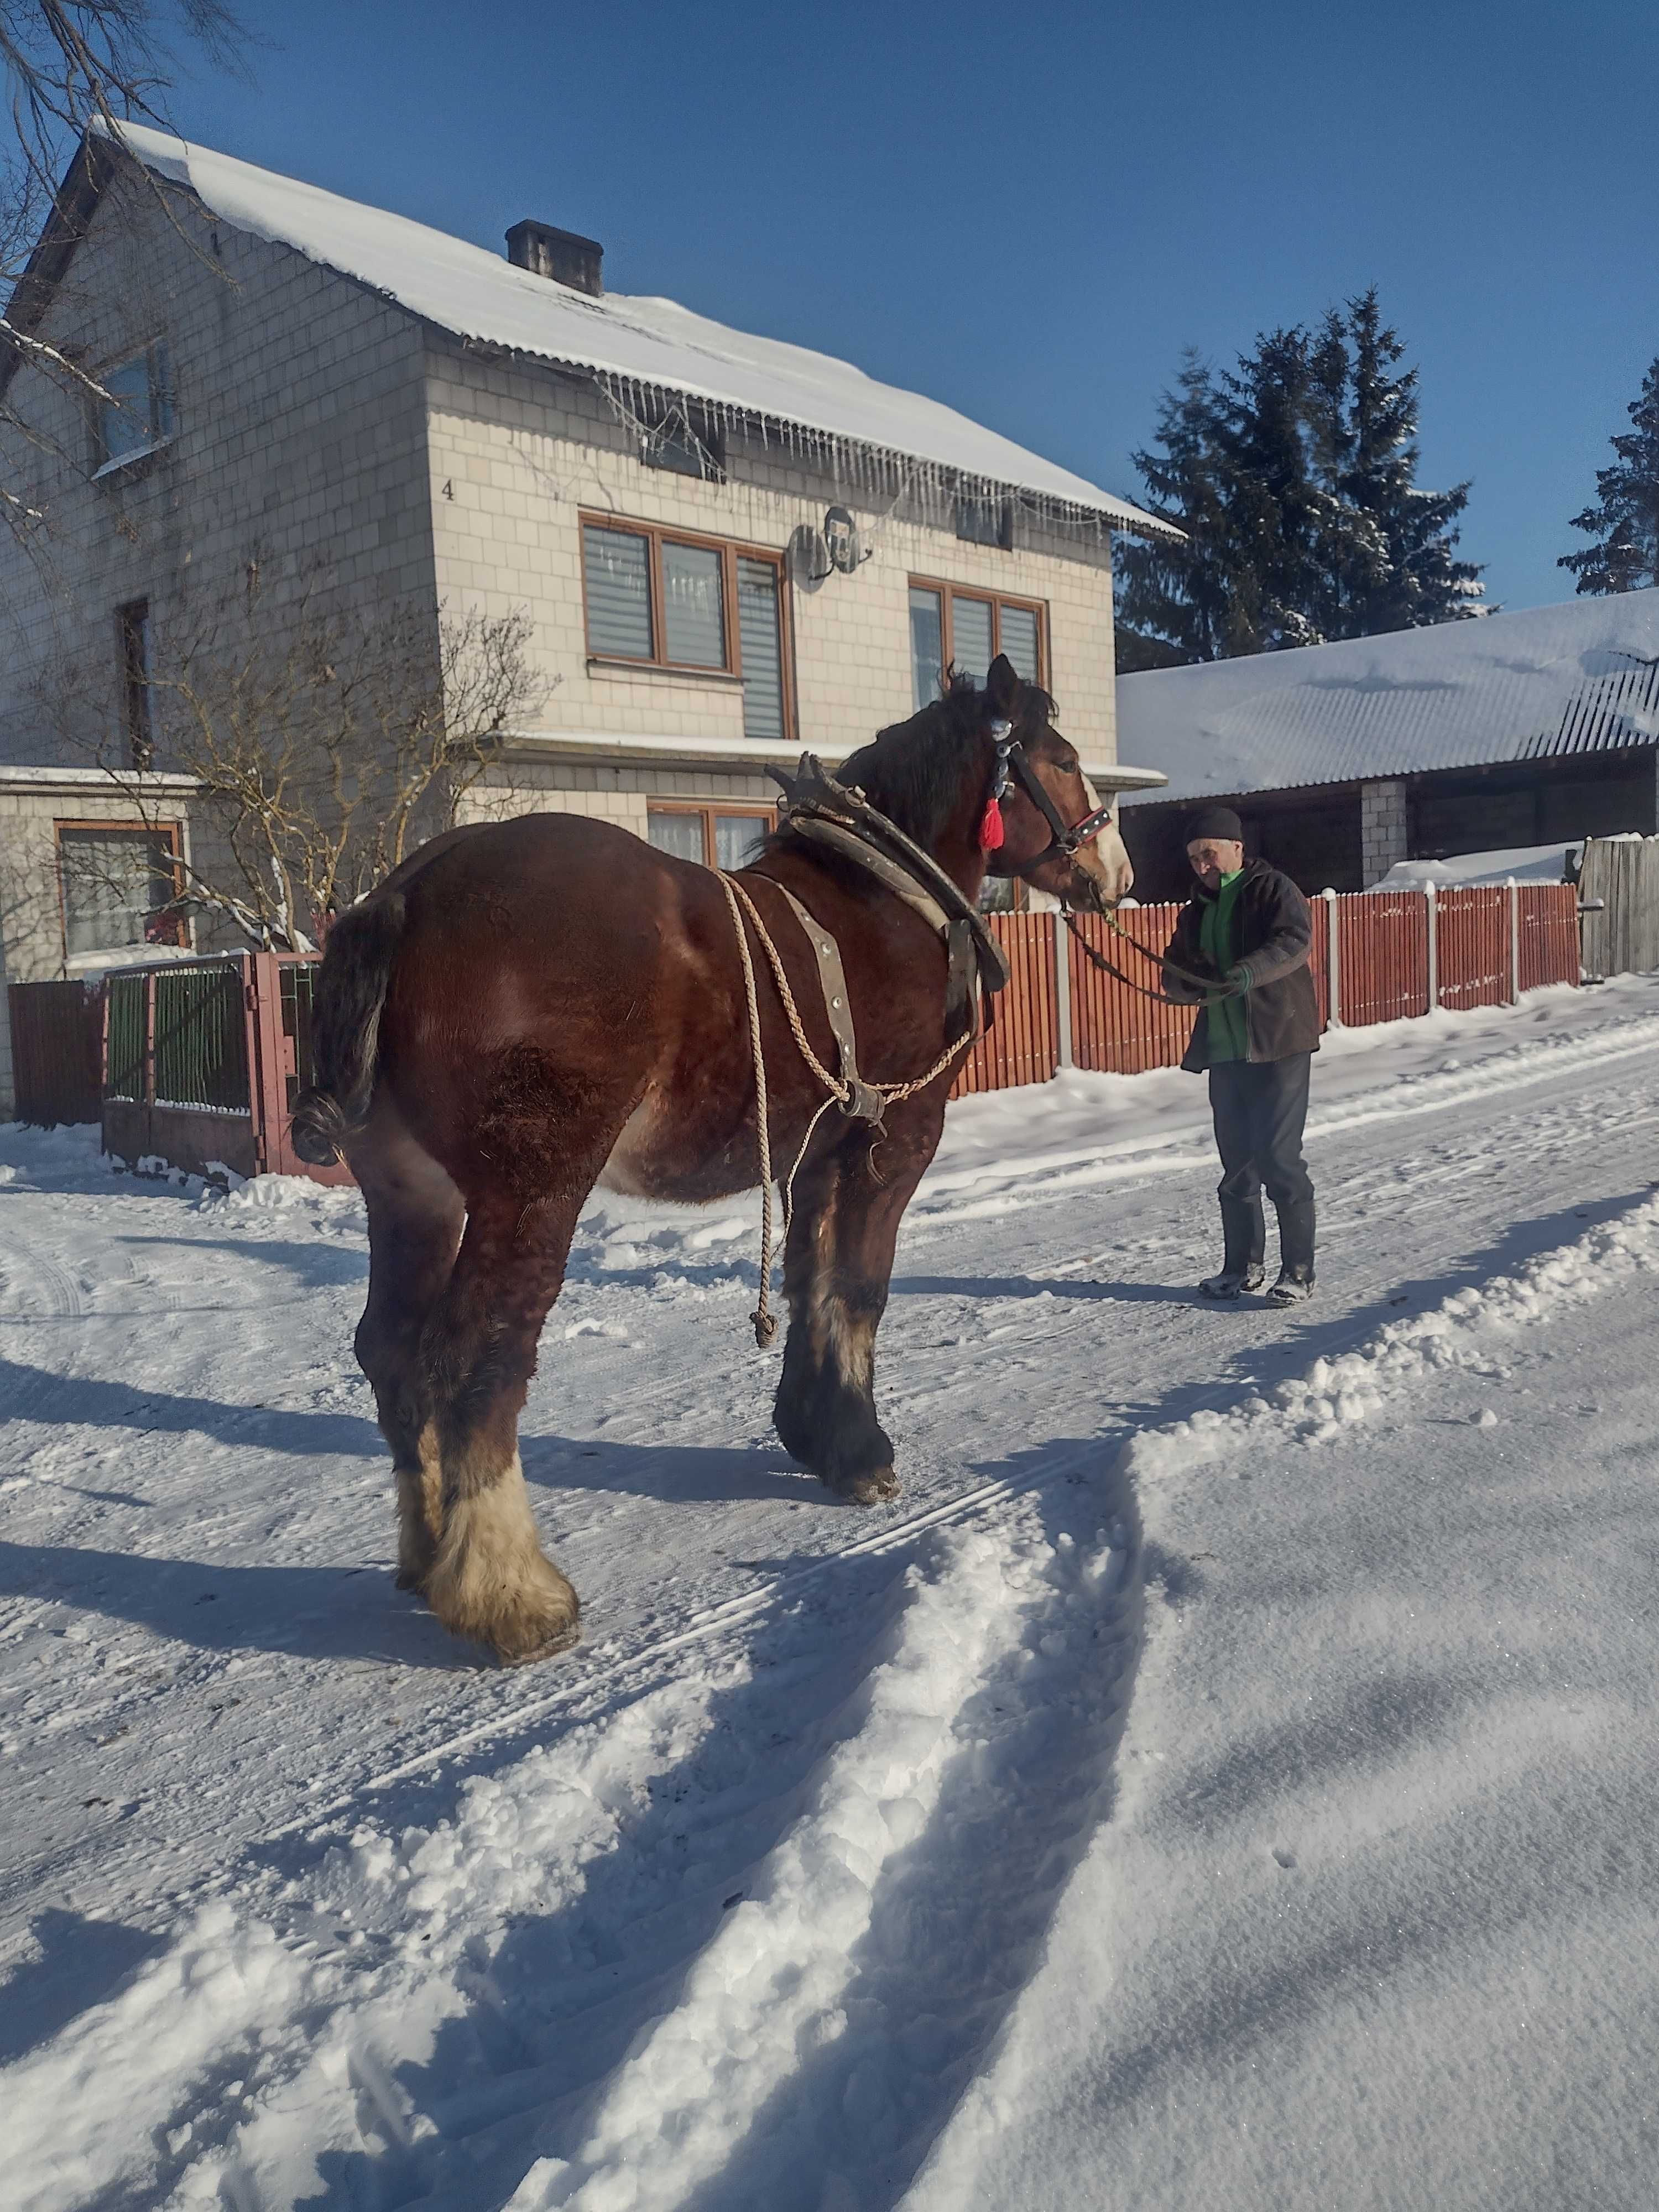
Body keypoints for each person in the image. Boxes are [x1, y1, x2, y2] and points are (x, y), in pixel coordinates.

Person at [1161, 807, 1321, 1306]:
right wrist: (1187, 979)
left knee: (1279, 1158)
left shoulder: (1273, 889)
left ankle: (1298, 1271)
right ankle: (1241, 1268)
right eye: (1194, 859)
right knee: (1236, 1165)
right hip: (1226, 1050)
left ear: (1236, 848)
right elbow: (1175, 969)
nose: (1202, 865)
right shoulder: (1196, 910)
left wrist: (1248, 971)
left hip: (1279, 1043)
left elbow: (1295, 941)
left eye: (1209, 853)